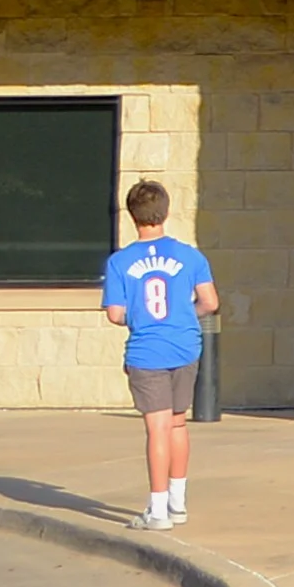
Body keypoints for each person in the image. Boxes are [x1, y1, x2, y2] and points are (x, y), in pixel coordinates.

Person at [100, 179, 215, 530]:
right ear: (164, 212)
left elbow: (115, 314)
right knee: (178, 422)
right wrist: (182, 315)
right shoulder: (190, 256)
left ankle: (158, 509)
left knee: (157, 428)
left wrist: (141, 316)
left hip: (147, 352)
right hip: (185, 346)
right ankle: (178, 504)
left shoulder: (120, 262)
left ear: (132, 216)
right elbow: (210, 302)